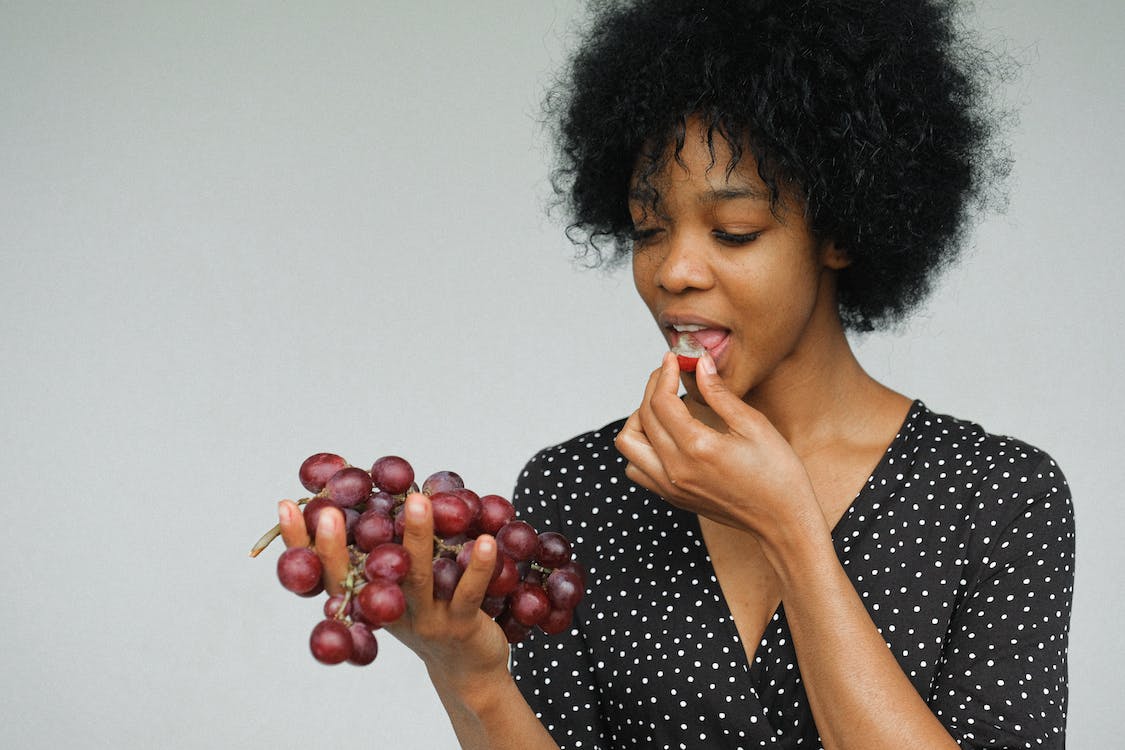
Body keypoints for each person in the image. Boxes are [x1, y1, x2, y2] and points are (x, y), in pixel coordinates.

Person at [279, 1, 1074, 748]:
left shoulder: (995, 495)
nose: (673, 270)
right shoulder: (579, 489)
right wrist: (471, 676)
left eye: (733, 232)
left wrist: (790, 531)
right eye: (649, 228)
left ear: (840, 231)